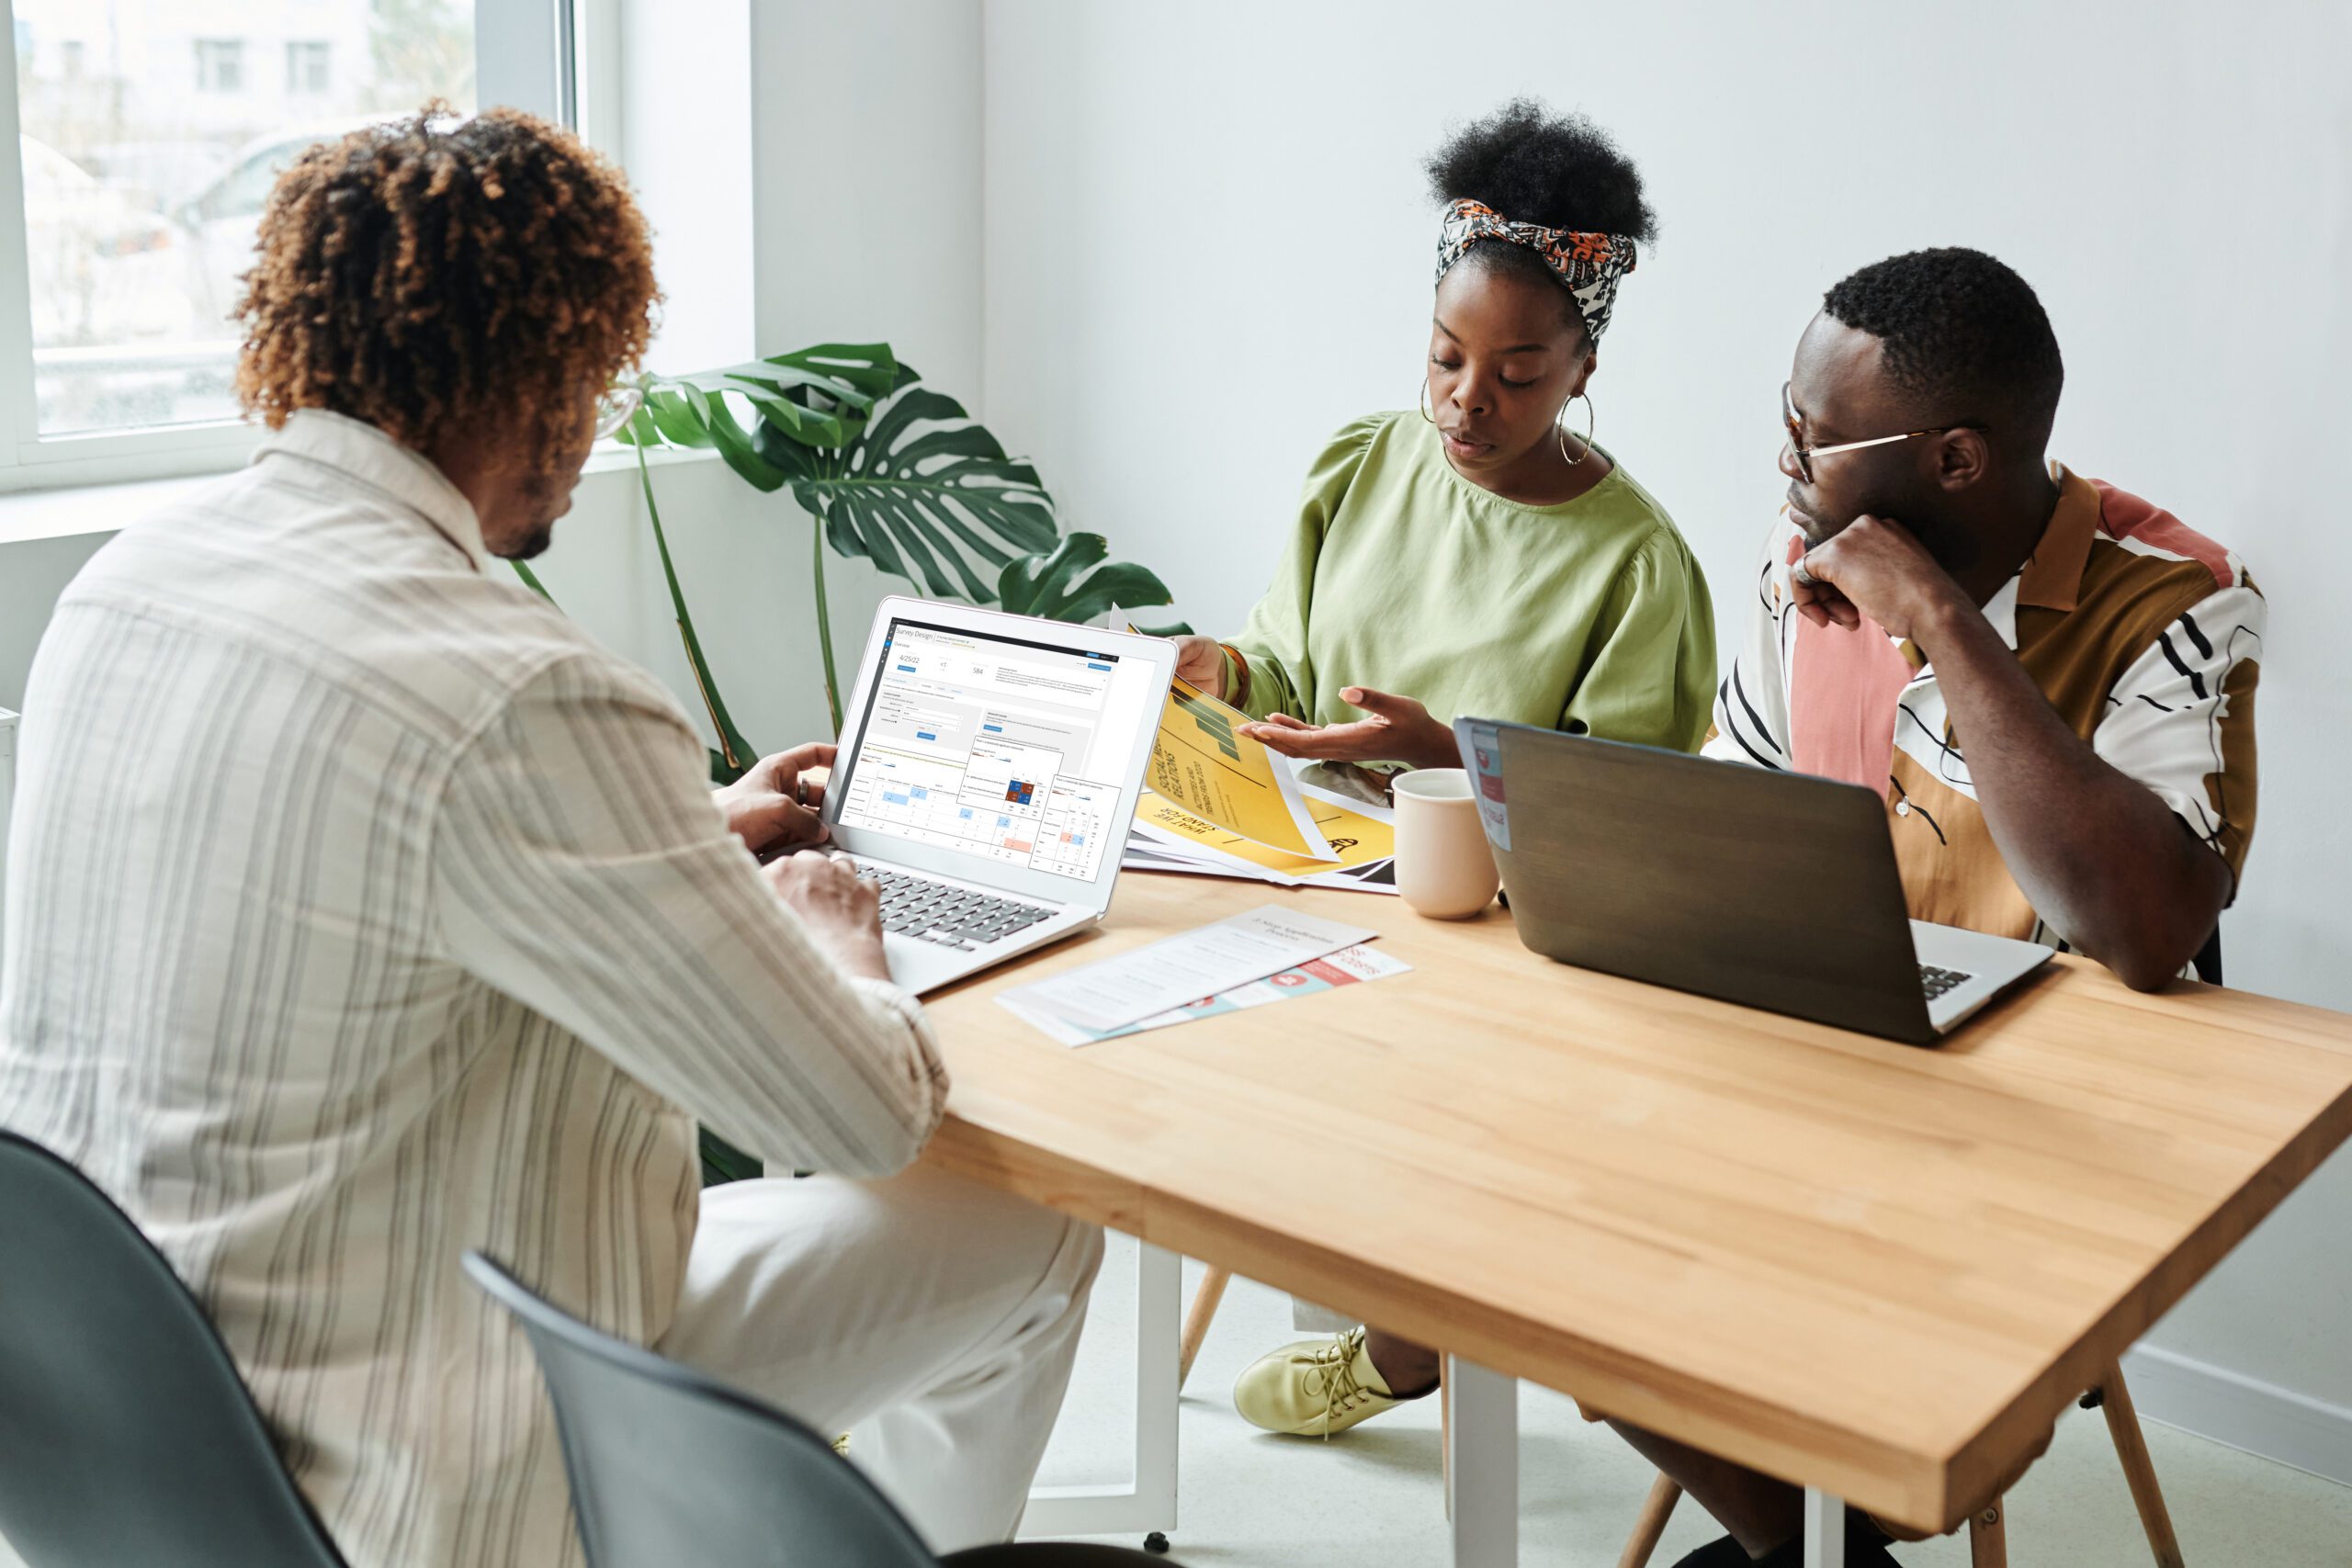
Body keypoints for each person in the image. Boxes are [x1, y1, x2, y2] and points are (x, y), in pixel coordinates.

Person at [0, 109, 1100, 1568]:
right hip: (422, 1459)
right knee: (1027, 1237)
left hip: (141, 1428)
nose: (600, 424)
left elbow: (352, 860)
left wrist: (677, 836)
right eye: (598, 374)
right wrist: (835, 941)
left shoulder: (132, 583)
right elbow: (858, 1119)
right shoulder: (519, 690)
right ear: (538, 376)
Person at [1632, 246, 2263, 1566]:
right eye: (1786, 428)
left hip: (2055, 1133)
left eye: (1816, 441)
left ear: (1958, 459)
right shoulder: (1801, 564)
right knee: (1560, 1267)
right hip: (1831, 1067)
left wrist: (1934, 617)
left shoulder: (2180, 599)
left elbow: (2143, 931)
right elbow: (1737, 819)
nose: (1788, 468)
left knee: (1892, 1411)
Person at [1178, 100, 1717, 1438]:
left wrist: (1451, 754)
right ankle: (1401, 1308)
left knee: (1430, 1101)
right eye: (1444, 357)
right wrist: (1221, 677)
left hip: (1489, 937)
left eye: (1519, 370)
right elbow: (1286, 665)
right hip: (1311, 873)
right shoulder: (1364, 465)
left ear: (1585, 366)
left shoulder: (1636, 565)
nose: (1468, 400)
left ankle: (1409, 1334)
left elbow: (1627, 831)